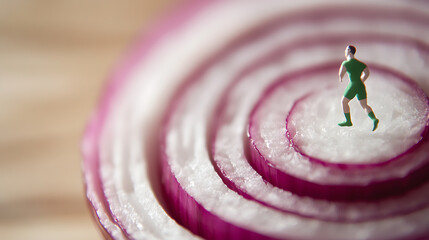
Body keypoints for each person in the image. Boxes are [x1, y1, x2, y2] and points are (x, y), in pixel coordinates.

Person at [338, 45, 379, 131]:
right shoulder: (361, 64)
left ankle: (348, 121)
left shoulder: (346, 63)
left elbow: (341, 74)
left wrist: (341, 78)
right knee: (364, 105)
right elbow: (367, 73)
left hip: (353, 84)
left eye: (346, 50)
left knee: (344, 101)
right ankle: (374, 119)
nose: (345, 52)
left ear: (349, 51)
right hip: (360, 84)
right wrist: (362, 80)